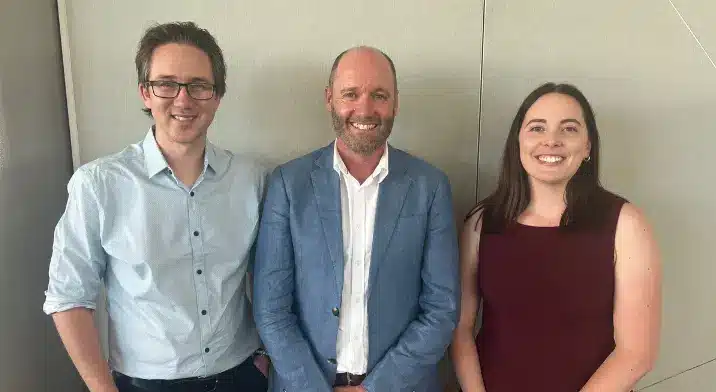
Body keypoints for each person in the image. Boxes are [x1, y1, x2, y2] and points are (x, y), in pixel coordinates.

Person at [43, 21, 269, 392]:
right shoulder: (99, 184)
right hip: (145, 385)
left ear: (217, 96)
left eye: (199, 85)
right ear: (145, 93)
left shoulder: (251, 179)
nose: (183, 99)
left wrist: (268, 358)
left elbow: (271, 278)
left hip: (242, 377)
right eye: (166, 84)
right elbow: (68, 298)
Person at [252, 46, 460, 392]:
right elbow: (271, 310)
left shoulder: (430, 187)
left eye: (379, 95)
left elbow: (442, 308)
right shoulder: (289, 184)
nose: (365, 109)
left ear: (395, 103)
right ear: (329, 98)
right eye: (351, 94)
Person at [450, 82, 662, 392]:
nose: (551, 141)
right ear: (518, 142)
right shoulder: (481, 222)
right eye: (537, 128)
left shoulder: (627, 224)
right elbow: (460, 329)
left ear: (588, 146)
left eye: (569, 129)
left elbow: (637, 353)